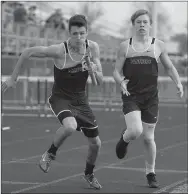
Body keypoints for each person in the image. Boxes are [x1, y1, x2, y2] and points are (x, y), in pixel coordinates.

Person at [2, 14, 103, 190]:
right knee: (70, 126)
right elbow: (27, 52)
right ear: (68, 33)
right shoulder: (59, 50)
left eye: (82, 33)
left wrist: (94, 69)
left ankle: (89, 174)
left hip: (81, 100)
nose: (78, 38)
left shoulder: (93, 48)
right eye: (74, 34)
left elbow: (98, 82)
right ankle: (49, 154)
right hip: (61, 98)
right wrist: (13, 78)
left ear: (87, 32)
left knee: (96, 144)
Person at [113, 9, 184, 188]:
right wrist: (120, 81)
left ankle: (150, 173)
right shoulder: (125, 46)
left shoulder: (157, 45)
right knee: (136, 131)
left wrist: (178, 83)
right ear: (134, 25)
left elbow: (169, 67)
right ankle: (125, 138)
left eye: (145, 22)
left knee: (148, 138)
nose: (142, 25)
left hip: (151, 98)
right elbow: (116, 70)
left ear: (150, 24)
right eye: (139, 22)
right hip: (131, 96)